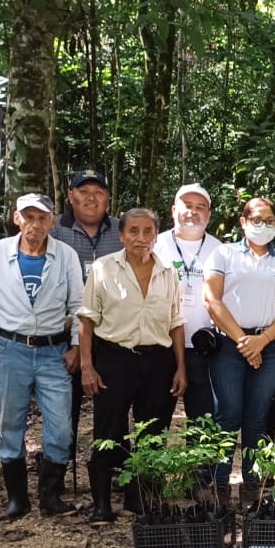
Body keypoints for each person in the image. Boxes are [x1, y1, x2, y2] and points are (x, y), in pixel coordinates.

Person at [77, 208, 187, 523]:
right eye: (134, 231)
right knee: (108, 429)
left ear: (156, 234)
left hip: (158, 360)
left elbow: (176, 321)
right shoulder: (103, 269)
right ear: (122, 235)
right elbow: (87, 319)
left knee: (153, 431)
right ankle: (101, 504)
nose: (141, 238)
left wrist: (181, 367)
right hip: (115, 358)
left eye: (148, 231)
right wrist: (88, 365)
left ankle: (141, 500)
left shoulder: (168, 272)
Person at [0, 193, 84, 520]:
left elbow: (78, 308)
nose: (35, 225)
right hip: (8, 348)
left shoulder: (65, 255)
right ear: (17, 219)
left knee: (60, 428)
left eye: (42, 218)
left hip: (53, 351)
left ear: (52, 222)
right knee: (9, 424)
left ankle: (50, 497)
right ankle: (17, 499)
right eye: (29, 217)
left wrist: (76, 347)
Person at [203, 197, 275, 510]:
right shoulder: (224, 253)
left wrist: (262, 341)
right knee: (228, 414)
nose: (263, 225)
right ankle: (219, 485)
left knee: (257, 420)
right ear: (243, 222)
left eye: (269, 220)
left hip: (268, 346)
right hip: (230, 346)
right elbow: (212, 300)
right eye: (256, 219)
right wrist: (244, 341)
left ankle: (252, 487)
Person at [51, 168, 124, 464]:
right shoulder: (55, 229)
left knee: (113, 407)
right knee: (63, 408)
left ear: (108, 197)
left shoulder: (122, 230)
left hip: (111, 336)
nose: (91, 198)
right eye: (83, 192)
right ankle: (57, 468)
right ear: (71, 197)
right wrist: (75, 345)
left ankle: (112, 467)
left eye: (98, 192)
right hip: (64, 335)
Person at [153, 183, 220, 436]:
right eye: (187, 206)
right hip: (160, 346)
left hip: (204, 349)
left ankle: (202, 475)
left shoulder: (220, 249)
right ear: (173, 210)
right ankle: (151, 475)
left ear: (208, 214)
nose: (193, 212)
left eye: (200, 207)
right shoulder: (155, 244)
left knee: (203, 421)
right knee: (155, 418)